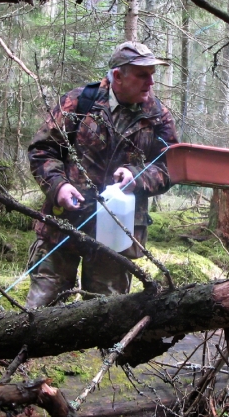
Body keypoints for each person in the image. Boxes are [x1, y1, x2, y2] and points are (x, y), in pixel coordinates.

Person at [25, 41, 179, 308]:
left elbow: (170, 168)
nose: (150, 83)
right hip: (63, 226)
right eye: (143, 75)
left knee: (109, 316)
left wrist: (137, 177)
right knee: (37, 312)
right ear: (118, 76)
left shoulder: (158, 117)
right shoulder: (79, 102)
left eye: (153, 74)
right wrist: (58, 186)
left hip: (116, 235)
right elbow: (42, 151)